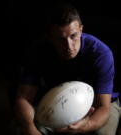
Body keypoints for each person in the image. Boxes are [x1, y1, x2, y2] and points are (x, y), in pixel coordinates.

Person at [14, 3, 121, 135]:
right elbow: (24, 98)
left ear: (81, 30)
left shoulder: (100, 53)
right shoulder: (38, 51)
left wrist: (86, 125)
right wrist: (30, 128)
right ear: (50, 38)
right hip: (59, 101)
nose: (69, 46)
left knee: (102, 133)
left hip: (99, 104)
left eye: (73, 36)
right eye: (61, 39)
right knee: (30, 128)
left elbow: (103, 107)